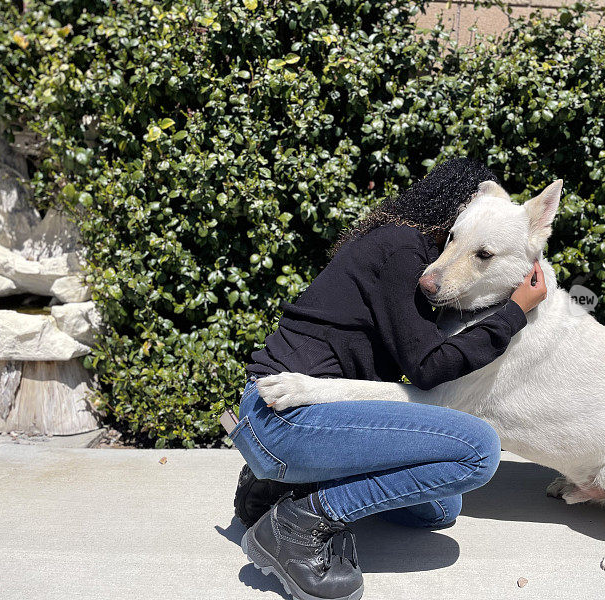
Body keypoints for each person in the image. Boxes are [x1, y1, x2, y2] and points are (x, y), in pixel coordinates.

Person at [230, 158, 547, 600]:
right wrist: (514, 313)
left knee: (439, 507)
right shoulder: (403, 250)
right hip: (282, 413)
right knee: (479, 450)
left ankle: (277, 486)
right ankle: (299, 523)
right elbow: (428, 368)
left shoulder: (404, 241)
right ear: (456, 207)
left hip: (305, 417)